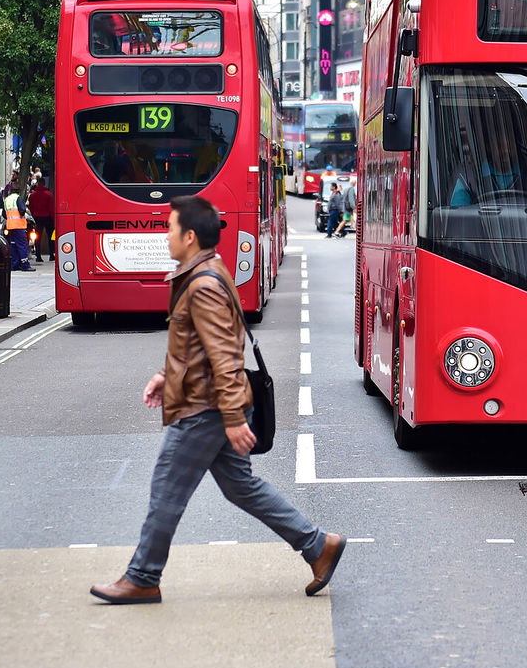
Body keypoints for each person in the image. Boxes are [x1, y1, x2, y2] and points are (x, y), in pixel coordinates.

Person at [90, 195, 345, 606]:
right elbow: (196, 346)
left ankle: (142, 577)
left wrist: (231, 417)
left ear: (189, 236)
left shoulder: (203, 285)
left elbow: (224, 356)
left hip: (204, 409)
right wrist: (165, 376)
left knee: (166, 490)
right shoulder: (204, 272)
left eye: (170, 228)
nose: (166, 235)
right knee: (241, 487)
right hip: (211, 403)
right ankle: (318, 545)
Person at [449, 129, 527, 206]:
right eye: (499, 145)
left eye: (509, 144)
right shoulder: (467, 176)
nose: (505, 150)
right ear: (488, 146)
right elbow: (459, 213)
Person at [2, 188, 33, 272]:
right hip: (19, 225)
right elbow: (22, 210)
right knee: (23, 245)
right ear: (19, 192)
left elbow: (4, 214)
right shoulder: (18, 198)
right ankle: (25, 265)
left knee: (13, 245)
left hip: (10, 226)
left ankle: (14, 265)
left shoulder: (7, 200)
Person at [28, 177, 55, 263]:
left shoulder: (33, 195)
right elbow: (51, 208)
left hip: (37, 217)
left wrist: (33, 215)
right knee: (50, 236)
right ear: (44, 183)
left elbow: (31, 207)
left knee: (37, 236)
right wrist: (53, 218)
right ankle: (51, 254)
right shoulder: (49, 194)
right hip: (48, 217)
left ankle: (38, 255)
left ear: (38, 184)